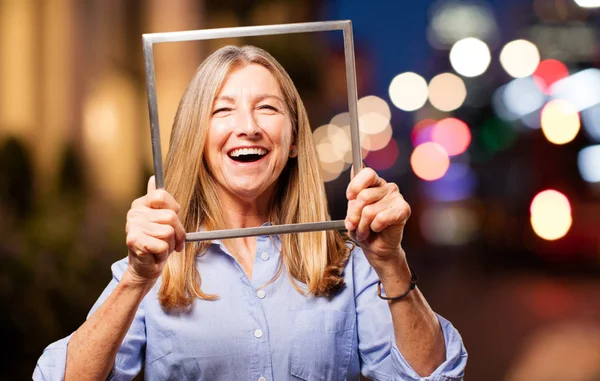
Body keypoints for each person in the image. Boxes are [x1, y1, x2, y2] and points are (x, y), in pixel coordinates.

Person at [34, 45, 467, 381]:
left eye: (268, 107)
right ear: (198, 139)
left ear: (294, 139)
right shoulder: (152, 264)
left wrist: (391, 262)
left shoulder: (348, 264)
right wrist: (135, 279)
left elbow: (434, 376)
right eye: (223, 109)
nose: (249, 126)